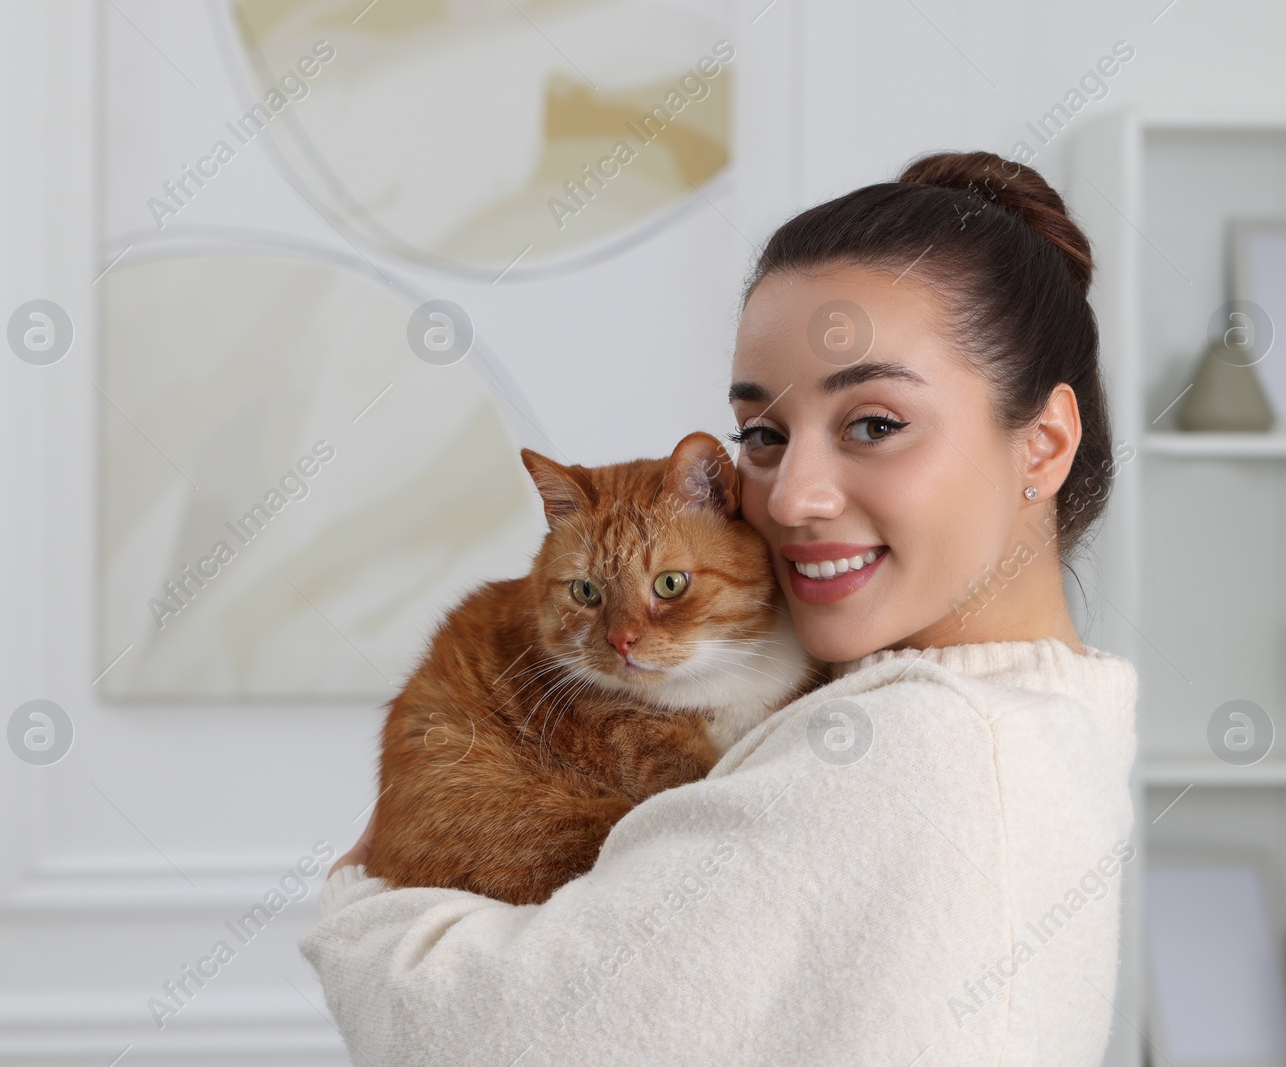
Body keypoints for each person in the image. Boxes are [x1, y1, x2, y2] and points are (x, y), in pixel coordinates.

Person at [298, 150, 1139, 1066]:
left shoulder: (912, 748)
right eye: (764, 435)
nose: (790, 496)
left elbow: (483, 1035)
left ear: (1045, 443)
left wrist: (363, 901)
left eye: (874, 423)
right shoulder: (1048, 720)